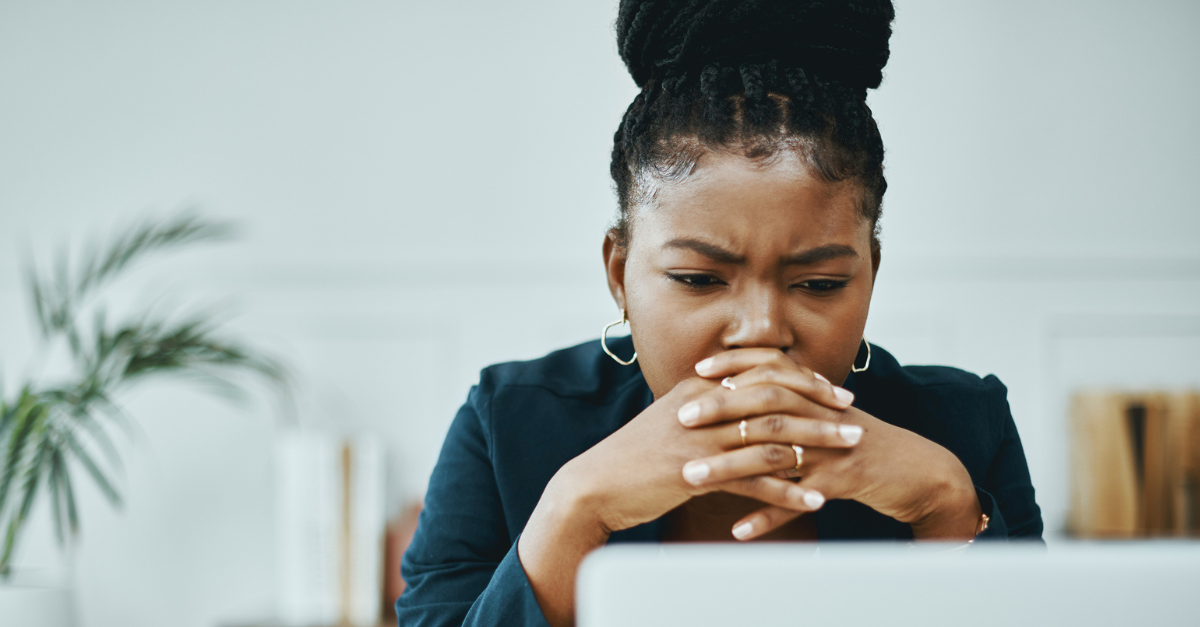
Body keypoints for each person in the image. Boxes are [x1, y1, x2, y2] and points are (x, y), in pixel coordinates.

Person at [396, 1, 1043, 625]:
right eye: (699, 278)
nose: (761, 329)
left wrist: (945, 509)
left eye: (818, 282)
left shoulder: (964, 429)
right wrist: (574, 510)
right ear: (619, 272)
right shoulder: (506, 425)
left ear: (869, 275)